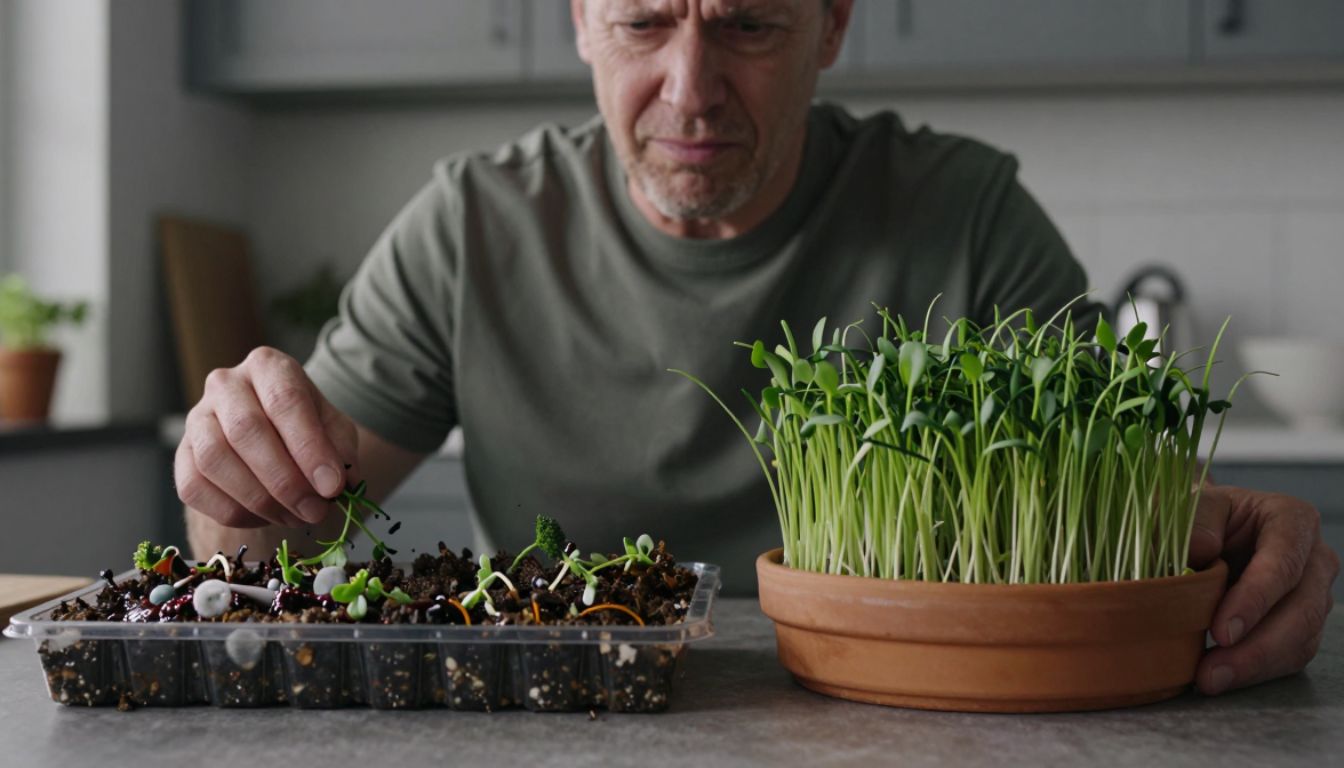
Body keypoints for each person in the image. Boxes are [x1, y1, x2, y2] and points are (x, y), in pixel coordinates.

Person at [177, 0, 1336, 697]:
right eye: (643, 20)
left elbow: (1123, 503)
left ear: (833, 21)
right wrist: (234, 476)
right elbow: (274, 534)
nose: (690, 88)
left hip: (906, 732)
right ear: (580, 17)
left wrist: (1232, 532)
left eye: (748, 25)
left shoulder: (967, 214)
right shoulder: (472, 225)